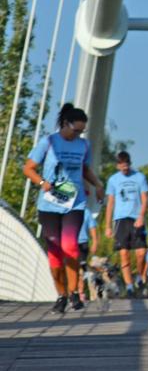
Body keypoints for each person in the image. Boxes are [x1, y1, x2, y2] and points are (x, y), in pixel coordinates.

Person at [22, 103, 105, 314]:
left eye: (81, 131)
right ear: (65, 124)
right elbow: (28, 168)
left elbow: (84, 169)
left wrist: (98, 185)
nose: (78, 134)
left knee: (70, 248)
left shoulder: (83, 145)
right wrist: (42, 183)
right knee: (55, 252)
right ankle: (61, 295)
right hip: (49, 204)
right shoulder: (48, 142)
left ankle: (74, 292)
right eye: (75, 130)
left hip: (74, 204)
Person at [104, 150, 148, 297]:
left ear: (130, 164)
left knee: (141, 253)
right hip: (120, 219)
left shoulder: (140, 177)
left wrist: (141, 216)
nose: (125, 168)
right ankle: (129, 285)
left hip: (136, 217)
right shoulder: (113, 180)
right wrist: (108, 226)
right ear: (117, 165)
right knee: (124, 253)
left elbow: (144, 199)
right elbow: (110, 203)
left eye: (127, 165)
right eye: (122, 165)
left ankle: (139, 276)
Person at [76, 208, 98, 301]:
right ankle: (72, 292)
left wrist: (95, 242)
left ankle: (80, 293)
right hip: (69, 242)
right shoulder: (66, 209)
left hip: (83, 243)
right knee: (71, 269)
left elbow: (92, 228)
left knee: (81, 269)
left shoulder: (86, 211)